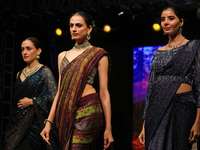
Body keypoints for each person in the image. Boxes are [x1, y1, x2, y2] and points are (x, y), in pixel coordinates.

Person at [40, 11, 114, 150]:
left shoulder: (98, 54)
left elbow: (104, 93)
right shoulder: (63, 56)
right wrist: (49, 122)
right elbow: (59, 92)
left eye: (78, 25)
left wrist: (108, 128)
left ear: (89, 28)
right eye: (71, 25)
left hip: (89, 109)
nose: (73, 29)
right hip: (65, 112)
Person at [138, 6, 200, 150]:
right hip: (157, 107)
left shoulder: (193, 47)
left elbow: (199, 83)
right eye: (162, 19)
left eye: (171, 18)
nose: (165, 22)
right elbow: (150, 89)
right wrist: (144, 124)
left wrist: (198, 122)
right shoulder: (158, 53)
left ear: (181, 22)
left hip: (182, 107)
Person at [4, 37, 60, 150]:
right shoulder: (19, 74)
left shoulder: (44, 71)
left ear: (38, 51)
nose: (24, 52)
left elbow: (54, 98)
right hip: (16, 123)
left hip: (34, 126)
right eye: (22, 49)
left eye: (28, 49)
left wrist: (33, 101)